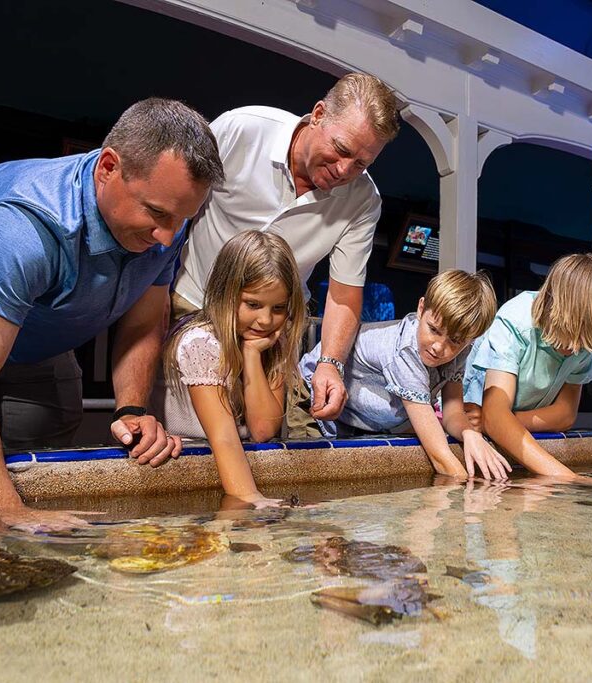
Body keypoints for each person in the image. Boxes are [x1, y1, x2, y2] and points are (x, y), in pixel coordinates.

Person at [0, 98, 224, 530]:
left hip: (39, 341)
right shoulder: (26, 226)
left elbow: (143, 318)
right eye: (156, 213)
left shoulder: (165, 225)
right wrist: (9, 515)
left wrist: (130, 408)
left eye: (182, 219)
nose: (167, 237)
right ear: (108, 168)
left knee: (44, 486)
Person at [169, 73, 398, 426]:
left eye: (361, 164)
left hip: (273, 326)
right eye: (341, 150)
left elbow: (344, 294)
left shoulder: (363, 201)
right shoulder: (239, 129)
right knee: (195, 432)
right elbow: (176, 212)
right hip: (195, 306)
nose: (344, 170)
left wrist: (330, 364)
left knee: (284, 436)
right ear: (318, 114)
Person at [291, 269, 509, 480]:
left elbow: (452, 413)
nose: (439, 347)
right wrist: (469, 494)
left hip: (355, 418)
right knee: (309, 479)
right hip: (312, 396)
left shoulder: (461, 351)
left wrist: (469, 434)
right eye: (434, 330)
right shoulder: (406, 350)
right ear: (421, 308)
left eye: (455, 340)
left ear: (470, 340)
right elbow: (439, 456)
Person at [163, 231, 306, 507]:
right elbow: (224, 438)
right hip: (186, 463)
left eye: (278, 308)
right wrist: (251, 500)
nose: (265, 320)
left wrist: (251, 355)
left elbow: (263, 430)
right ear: (226, 293)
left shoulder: (274, 341)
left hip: (240, 461)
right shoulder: (200, 342)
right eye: (253, 304)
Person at [462, 254, 592, 478]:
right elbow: (495, 415)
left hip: (503, 423)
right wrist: (569, 479)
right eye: (572, 337)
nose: (578, 350)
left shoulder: (583, 340)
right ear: (553, 307)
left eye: (586, 343)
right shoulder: (515, 321)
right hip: (460, 422)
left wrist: (504, 420)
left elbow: (565, 415)